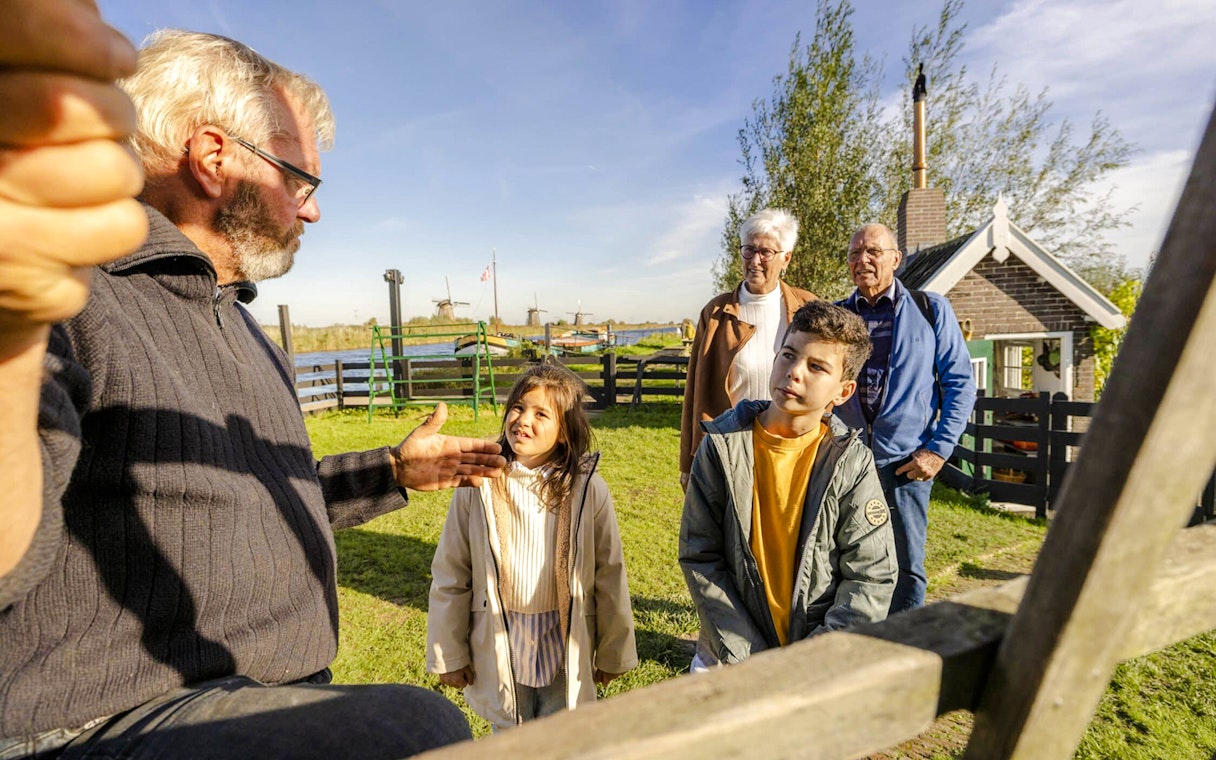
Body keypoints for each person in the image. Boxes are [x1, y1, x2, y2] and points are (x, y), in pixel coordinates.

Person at [0, 28, 507, 759]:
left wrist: (392, 472)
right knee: (412, 731)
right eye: (300, 182)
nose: (312, 211)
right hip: (106, 718)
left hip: (265, 697)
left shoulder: (238, 323)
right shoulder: (64, 290)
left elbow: (253, 504)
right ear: (213, 160)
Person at [679, 301, 896, 669]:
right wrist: (746, 655)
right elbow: (701, 557)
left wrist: (805, 662)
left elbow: (870, 578)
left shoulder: (852, 465)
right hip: (726, 659)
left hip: (812, 666)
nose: (793, 372)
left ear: (843, 391)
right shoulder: (722, 445)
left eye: (816, 367)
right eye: (788, 354)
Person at [427, 363, 637, 731]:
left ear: (564, 433)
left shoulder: (587, 489)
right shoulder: (479, 485)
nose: (524, 419)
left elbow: (610, 573)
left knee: (562, 736)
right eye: (519, 407)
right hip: (501, 632)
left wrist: (614, 652)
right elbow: (451, 570)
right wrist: (449, 653)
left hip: (564, 632)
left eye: (541, 413)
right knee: (509, 731)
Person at [836, 223, 976, 614]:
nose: (862, 260)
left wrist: (938, 451)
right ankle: (849, 634)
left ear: (896, 259)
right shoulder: (839, 318)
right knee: (842, 556)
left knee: (906, 565)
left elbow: (960, 385)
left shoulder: (931, 309)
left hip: (905, 465)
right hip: (846, 461)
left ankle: (901, 646)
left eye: (873, 252)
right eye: (854, 253)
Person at [680, 208, 816, 491]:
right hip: (730, 447)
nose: (755, 260)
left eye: (766, 252)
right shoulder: (716, 313)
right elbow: (695, 390)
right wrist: (687, 462)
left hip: (793, 447)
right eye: (748, 250)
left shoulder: (808, 309)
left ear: (786, 258)